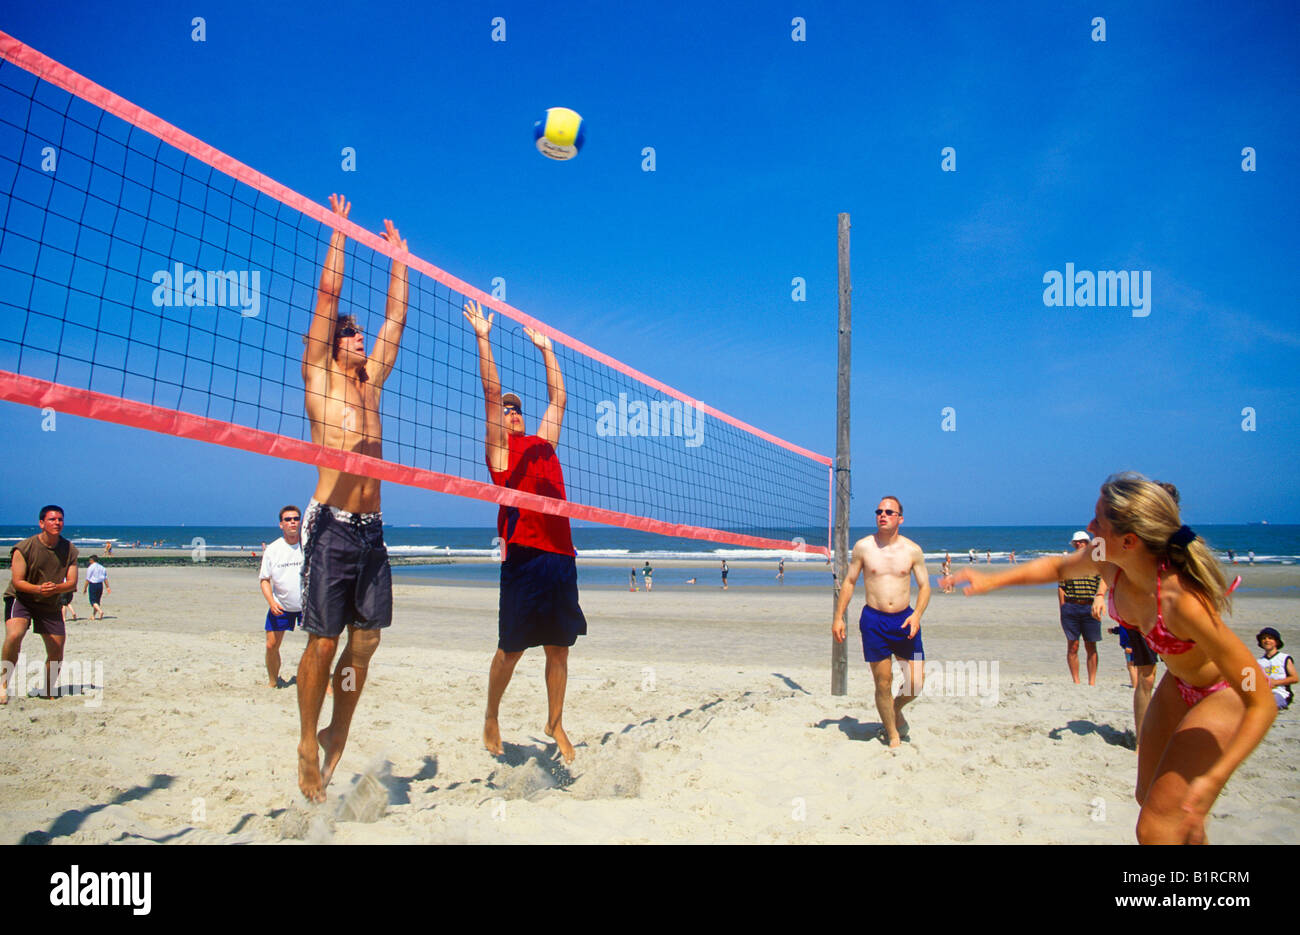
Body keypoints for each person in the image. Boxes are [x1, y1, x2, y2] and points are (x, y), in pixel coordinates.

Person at [944, 473, 1276, 843]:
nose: (1088, 527)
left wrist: (1215, 778)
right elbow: (1058, 567)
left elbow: (1261, 698)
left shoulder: (1181, 601)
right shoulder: (1110, 565)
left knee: (1156, 827)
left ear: (1129, 540)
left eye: (1098, 521)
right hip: (1177, 685)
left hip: (1222, 695)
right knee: (1149, 800)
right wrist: (993, 580)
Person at [295, 194, 408, 802]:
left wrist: (400, 261)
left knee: (366, 642)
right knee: (322, 641)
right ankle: (307, 741)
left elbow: (396, 322)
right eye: (352, 334)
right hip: (332, 526)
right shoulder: (319, 375)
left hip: (373, 528)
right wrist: (339, 232)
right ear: (335, 345)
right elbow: (326, 301)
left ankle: (338, 727)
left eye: (361, 334)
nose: (362, 338)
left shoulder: (372, 384)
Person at [464, 297, 587, 765]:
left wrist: (546, 348)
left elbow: (559, 398)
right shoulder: (500, 451)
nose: (512, 412)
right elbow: (490, 391)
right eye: (507, 409)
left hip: (560, 556)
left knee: (560, 649)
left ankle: (554, 722)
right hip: (523, 557)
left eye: (517, 409)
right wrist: (483, 337)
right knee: (511, 651)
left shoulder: (542, 444)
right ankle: (492, 713)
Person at [832, 496, 931, 748]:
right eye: (879, 511)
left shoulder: (912, 550)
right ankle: (893, 735)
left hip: (904, 620)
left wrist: (917, 614)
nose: (882, 515)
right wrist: (838, 617)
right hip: (874, 620)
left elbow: (924, 586)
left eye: (889, 511)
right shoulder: (864, 547)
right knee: (883, 682)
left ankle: (896, 711)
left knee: (916, 682)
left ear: (900, 518)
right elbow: (850, 582)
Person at [3, 506, 79, 703]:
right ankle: (2, 684)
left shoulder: (69, 549)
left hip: (50, 602)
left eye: (60, 519)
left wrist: (54, 589)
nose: (57, 523)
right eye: (52, 519)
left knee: (56, 649)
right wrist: (38, 589)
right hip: (22, 599)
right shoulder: (24, 547)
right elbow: (18, 581)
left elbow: (72, 583)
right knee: (14, 635)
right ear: (42, 523)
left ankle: (46, 689)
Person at [260, 506, 304, 688]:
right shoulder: (273, 549)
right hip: (281, 605)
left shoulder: (310, 545)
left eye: (295, 518)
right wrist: (271, 602)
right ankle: (272, 681)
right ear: (281, 524)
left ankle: (323, 684)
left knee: (320, 647)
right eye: (288, 519)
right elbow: (264, 580)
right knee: (271, 646)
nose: (292, 522)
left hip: (308, 606)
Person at [1059, 531, 1107, 686]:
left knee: (1091, 645)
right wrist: (1063, 607)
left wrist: (1099, 599)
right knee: (1073, 645)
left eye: (1082, 542)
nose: (1079, 544)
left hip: (1089, 606)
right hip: (1071, 607)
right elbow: (1061, 587)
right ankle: (1076, 681)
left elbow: (1103, 582)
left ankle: (1092, 681)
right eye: (1077, 542)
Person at [1257, 628, 1295, 711]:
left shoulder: (1284, 658)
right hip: (1264, 693)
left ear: (1276, 642)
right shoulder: (1259, 662)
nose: (1267, 640)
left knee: (1268, 705)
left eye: (1270, 638)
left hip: (1281, 693)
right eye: (1264, 638)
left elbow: (1294, 678)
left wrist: (1276, 682)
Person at [83, 555, 109, 620]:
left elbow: (88, 579)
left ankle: (100, 611)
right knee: (97, 601)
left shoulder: (91, 567)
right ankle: (93, 615)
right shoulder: (102, 567)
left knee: (93, 601)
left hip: (93, 584)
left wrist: (85, 588)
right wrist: (107, 587)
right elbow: (105, 578)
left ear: (92, 560)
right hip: (100, 584)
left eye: (90, 560)